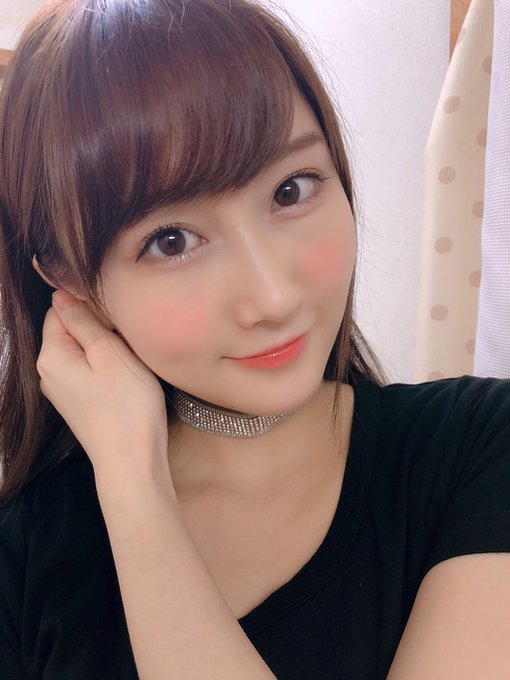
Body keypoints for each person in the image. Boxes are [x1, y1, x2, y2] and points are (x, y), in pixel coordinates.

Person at [0, 0, 509, 677]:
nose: (273, 297)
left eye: (291, 190)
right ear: (72, 282)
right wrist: (127, 470)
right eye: (171, 241)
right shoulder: (26, 555)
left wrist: (135, 488)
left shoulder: (479, 448)